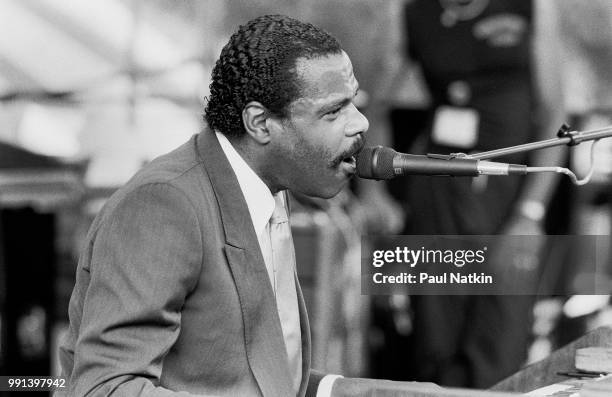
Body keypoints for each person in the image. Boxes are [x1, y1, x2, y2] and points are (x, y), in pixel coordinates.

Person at [58, 15, 368, 396]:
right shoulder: (163, 204)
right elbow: (104, 387)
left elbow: (255, 377)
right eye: (333, 111)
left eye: (353, 102)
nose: (360, 123)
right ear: (260, 123)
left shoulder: (267, 186)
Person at [367, 0, 566, 388]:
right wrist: (375, 195)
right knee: (434, 344)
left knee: (501, 346)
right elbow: (373, 107)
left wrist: (530, 212)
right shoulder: (411, 13)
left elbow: (553, 113)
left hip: (509, 197)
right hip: (439, 194)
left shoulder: (533, 7)